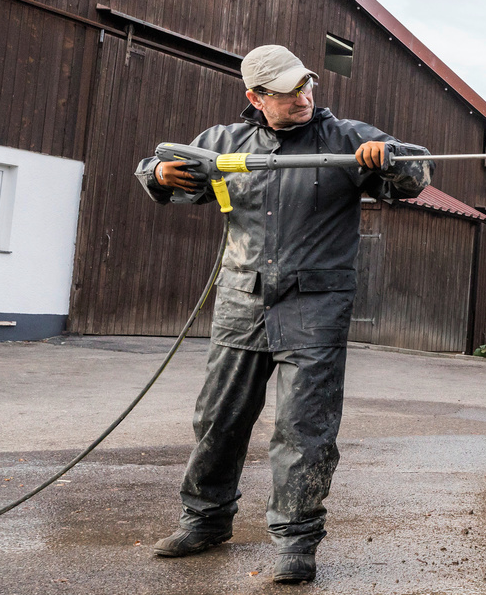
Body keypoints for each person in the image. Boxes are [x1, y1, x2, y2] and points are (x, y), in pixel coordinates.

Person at [133, 45, 431, 584]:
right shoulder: (224, 144)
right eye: (288, 91)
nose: (304, 97)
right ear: (255, 97)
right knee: (218, 420)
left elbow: (417, 173)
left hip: (315, 306)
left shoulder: (345, 140)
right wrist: (158, 174)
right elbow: (158, 165)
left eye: (306, 86)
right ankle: (204, 520)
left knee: (303, 428)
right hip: (241, 302)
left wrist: (391, 161)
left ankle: (297, 542)